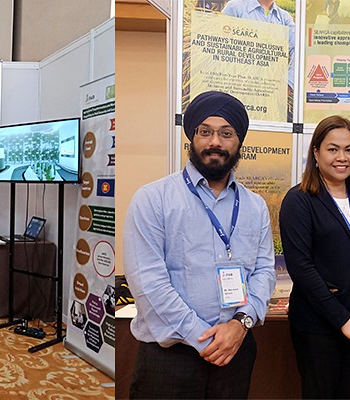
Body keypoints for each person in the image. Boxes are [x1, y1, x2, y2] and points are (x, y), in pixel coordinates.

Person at [124, 91, 276, 399]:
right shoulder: (153, 199)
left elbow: (264, 272)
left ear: (239, 142)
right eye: (205, 132)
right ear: (192, 138)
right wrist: (204, 338)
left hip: (235, 352)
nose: (215, 142)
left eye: (226, 133)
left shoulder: (255, 206)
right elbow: (149, 284)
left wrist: (240, 324)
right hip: (170, 359)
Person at [279, 115, 350, 398]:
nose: (342, 157)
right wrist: (343, 320)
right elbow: (301, 269)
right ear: (316, 152)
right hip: (319, 326)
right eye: (332, 149)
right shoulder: (299, 201)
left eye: (349, 150)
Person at [221, 0, 296, 121]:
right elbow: (218, 42)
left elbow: (298, 48)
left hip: (269, 93)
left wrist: (288, 83)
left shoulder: (284, 17)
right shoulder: (235, 7)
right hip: (237, 89)